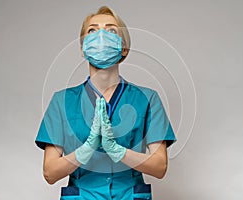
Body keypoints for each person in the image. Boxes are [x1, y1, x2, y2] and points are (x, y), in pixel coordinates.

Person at [35, 6, 177, 200]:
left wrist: (118, 151)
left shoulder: (147, 99)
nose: (101, 35)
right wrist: (85, 151)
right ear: (83, 48)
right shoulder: (61, 101)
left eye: (111, 30)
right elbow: (50, 173)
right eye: (92, 30)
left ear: (123, 47)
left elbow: (160, 167)